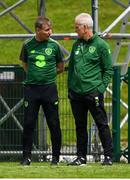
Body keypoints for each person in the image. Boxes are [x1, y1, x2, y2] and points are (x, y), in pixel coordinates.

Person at [67, 13, 113, 166]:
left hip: (93, 92)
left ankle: (108, 156)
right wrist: (70, 88)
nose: (75, 30)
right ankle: (81, 157)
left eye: (77, 27)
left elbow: (108, 70)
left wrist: (100, 89)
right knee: (80, 126)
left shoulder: (101, 45)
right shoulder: (76, 45)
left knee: (101, 124)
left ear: (85, 27)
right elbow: (72, 67)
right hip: (76, 94)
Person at [19, 16, 64, 166]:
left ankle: (56, 158)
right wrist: (34, 77)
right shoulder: (27, 45)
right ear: (37, 30)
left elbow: (60, 67)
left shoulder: (55, 46)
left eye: (50, 29)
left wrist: (47, 76)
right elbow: (25, 64)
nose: (50, 32)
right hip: (32, 90)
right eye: (47, 30)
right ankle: (26, 158)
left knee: (54, 123)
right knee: (29, 123)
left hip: (49, 89)